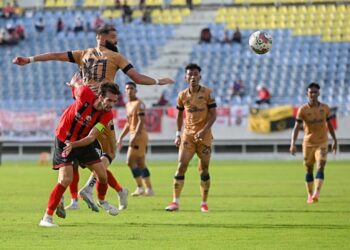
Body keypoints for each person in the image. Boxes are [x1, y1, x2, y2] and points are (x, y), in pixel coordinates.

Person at [12, 24, 173, 209]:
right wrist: (159, 81)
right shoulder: (116, 57)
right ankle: (89, 189)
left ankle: (68, 195)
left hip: (83, 108)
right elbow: (137, 78)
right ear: (102, 38)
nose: (117, 40)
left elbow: (55, 55)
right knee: (109, 153)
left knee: (75, 154)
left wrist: (29, 59)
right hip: (101, 110)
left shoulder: (83, 54)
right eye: (113, 37)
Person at [39, 82, 120, 227]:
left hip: (82, 142)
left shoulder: (107, 115)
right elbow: (76, 86)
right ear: (100, 97)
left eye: (115, 101)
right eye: (109, 100)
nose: (112, 104)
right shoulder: (84, 93)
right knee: (65, 179)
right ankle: (47, 218)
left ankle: (102, 201)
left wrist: (74, 145)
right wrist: (73, 83)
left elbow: (91, 138)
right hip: (64, 139)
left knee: (102, 175)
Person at [165, 63, 217, 212]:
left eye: (195, 74)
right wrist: (177, 134)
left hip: (204, 136)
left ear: (200, 76)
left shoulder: (208, 93)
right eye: (190, 74)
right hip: (188, 135)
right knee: (181, 166)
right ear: (186, 77)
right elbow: (180, 115)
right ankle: (175, 202)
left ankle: (203, 203)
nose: (193, 76)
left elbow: (213, 115)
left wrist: (204, 130)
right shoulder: (182, 95)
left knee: (204, 170)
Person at [290, 82, 337, 204]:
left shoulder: (325, 108)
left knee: (321, 166)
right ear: (307, 93)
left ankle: (317, 192)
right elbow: (296, 127)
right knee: (309, 170)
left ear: (319, 93)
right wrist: (292, 143)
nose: (313, 94)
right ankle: (310, 195)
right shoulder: (303, 110)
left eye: (315, 92)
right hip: (308, 144)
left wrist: (335, 140)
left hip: (322, 142)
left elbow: (329, 125)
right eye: (311, 92)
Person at [117, 82, 154, 196]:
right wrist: (121, 137)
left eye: (132, 88)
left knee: (129, 161)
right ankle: (149, 189)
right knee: (140, 163)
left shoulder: (139, 103)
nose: (129, 90)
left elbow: (141, 121)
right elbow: (129, 124)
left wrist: (135, 136)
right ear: (125, 91)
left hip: (139, 136)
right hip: (134, 135)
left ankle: (140, 187)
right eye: (127, 88)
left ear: (136, 90)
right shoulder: (128, 104)